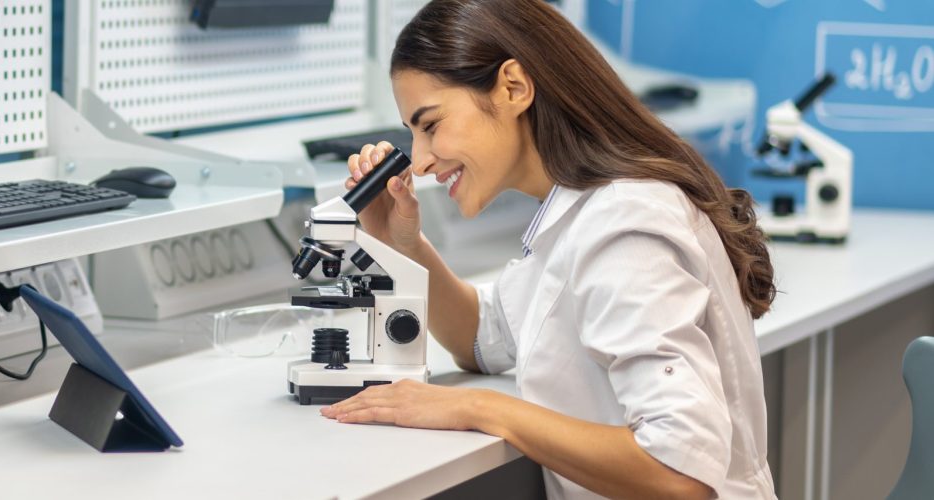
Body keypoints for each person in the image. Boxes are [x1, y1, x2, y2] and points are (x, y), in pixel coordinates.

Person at [317, 0, 778, 498]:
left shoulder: (623, 225)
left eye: (430, 125)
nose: (422, 161)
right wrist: (403, 244)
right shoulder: (576, 211)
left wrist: (480, 410)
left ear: (513, 87)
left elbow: (679, 473)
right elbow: (481, 339)